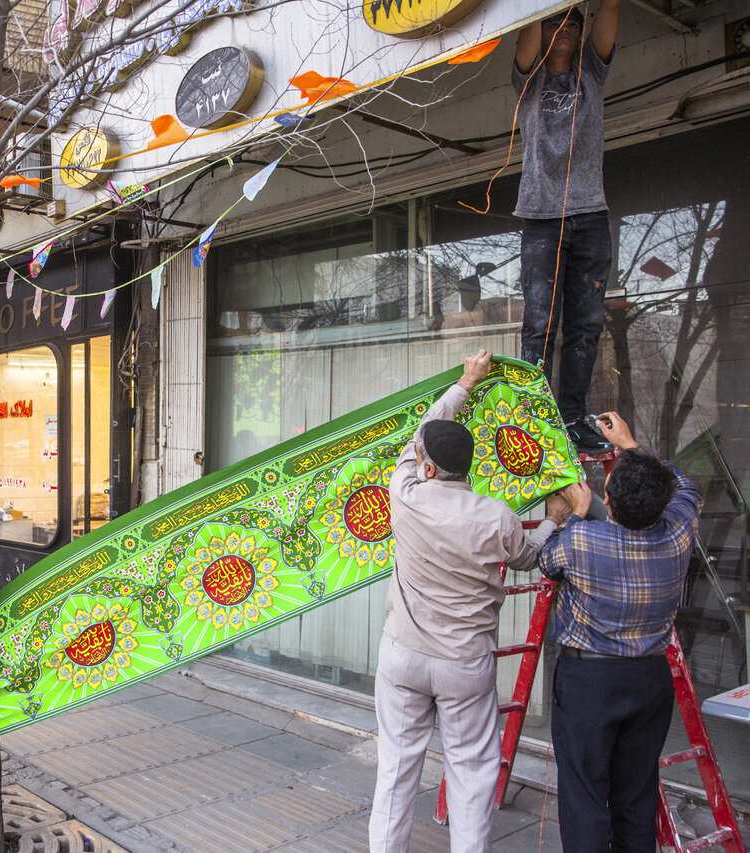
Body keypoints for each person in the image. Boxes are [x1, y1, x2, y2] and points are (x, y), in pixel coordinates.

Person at [370, 350, 579, 853]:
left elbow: (420, 433)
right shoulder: (496, 517)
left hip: (403, 655)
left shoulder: (405, 494)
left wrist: (466, 383)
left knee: (396, 770)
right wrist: (554, 519)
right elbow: (529, 557)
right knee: (470, 774)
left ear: (427, 467)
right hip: (464, 663)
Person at [538, 412, 699, 852]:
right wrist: (631, 445)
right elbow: (687, 488)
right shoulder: (679, 532)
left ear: (605, 501)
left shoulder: (581, 540)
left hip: (589, 682)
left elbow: (546, 560)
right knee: (636, 798)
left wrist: (573, 513)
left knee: (585, 798)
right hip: (650, 679)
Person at [513, 0, 622, 453]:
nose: (565, 28)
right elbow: (526, 26)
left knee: (586, 326)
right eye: (555, 22)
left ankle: (573, 418)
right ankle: (534, 418)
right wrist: (544, 10)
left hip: (590, 214)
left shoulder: (590, 73)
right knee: (540, 323)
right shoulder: (529, 80)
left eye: (574, 23)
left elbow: (609, 9)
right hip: (542, 219)